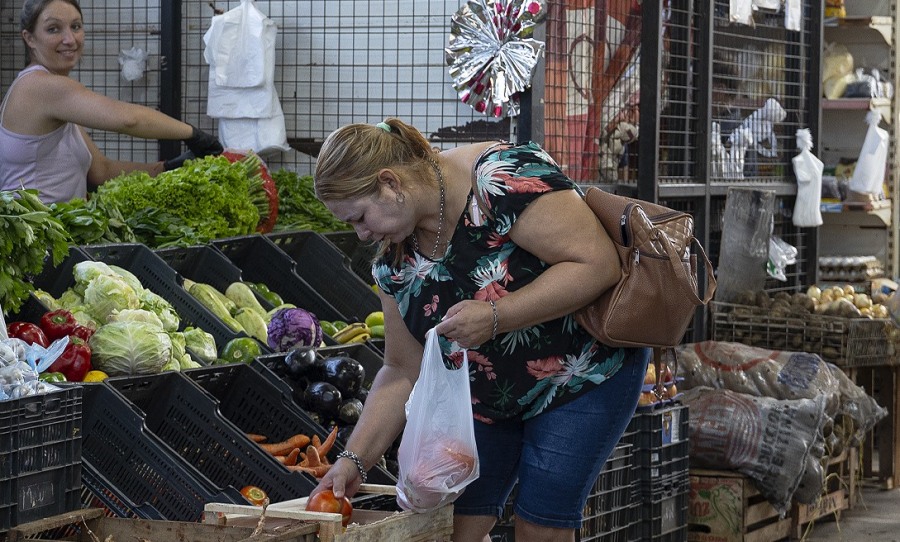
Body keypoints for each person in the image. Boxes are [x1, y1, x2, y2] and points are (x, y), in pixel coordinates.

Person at [312, 117, 651, 541]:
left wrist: (496, 317)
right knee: (452, 527)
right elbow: (401, 370)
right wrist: (352, 461)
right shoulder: (393, 265)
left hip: (580, 377)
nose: (361, 234)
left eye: (360, 216)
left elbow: (597, 263)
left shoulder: (500, 178)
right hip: (487, 397)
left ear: (389, 183)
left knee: (540, 528)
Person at [0, 0, 223, 203]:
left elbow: (102, 171)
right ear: (29, 38)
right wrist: (194, 135)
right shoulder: (40, 86)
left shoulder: (57, 105)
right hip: (33, 240)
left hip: (56, 235)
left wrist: (169, 167)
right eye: (53, 29)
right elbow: (129, 120)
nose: (70, 39)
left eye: (76, 27)